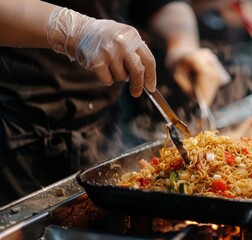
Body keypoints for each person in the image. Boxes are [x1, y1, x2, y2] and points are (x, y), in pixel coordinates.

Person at [0, 0, 239, 205]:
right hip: (17, 128)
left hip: (102, 123)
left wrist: (182, 46)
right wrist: (72, 30)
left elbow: (157, 3)